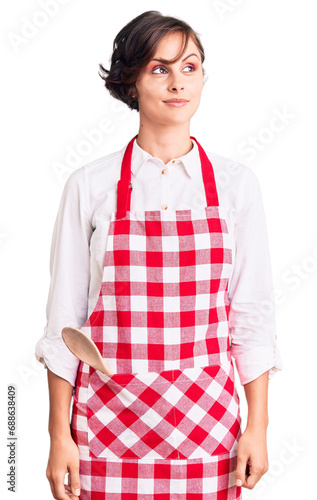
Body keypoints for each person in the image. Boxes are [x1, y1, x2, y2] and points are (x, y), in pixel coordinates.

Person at [35, 10, 283, 500]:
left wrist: (259, 428)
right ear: (131, 83)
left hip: (207, 431)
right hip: (107, 428)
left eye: (190, 67)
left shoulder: (236, 187)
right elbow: (65, 320)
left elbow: (251, 317)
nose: (177, 83)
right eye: (159, 68)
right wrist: (57, 435)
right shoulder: (90, 186)